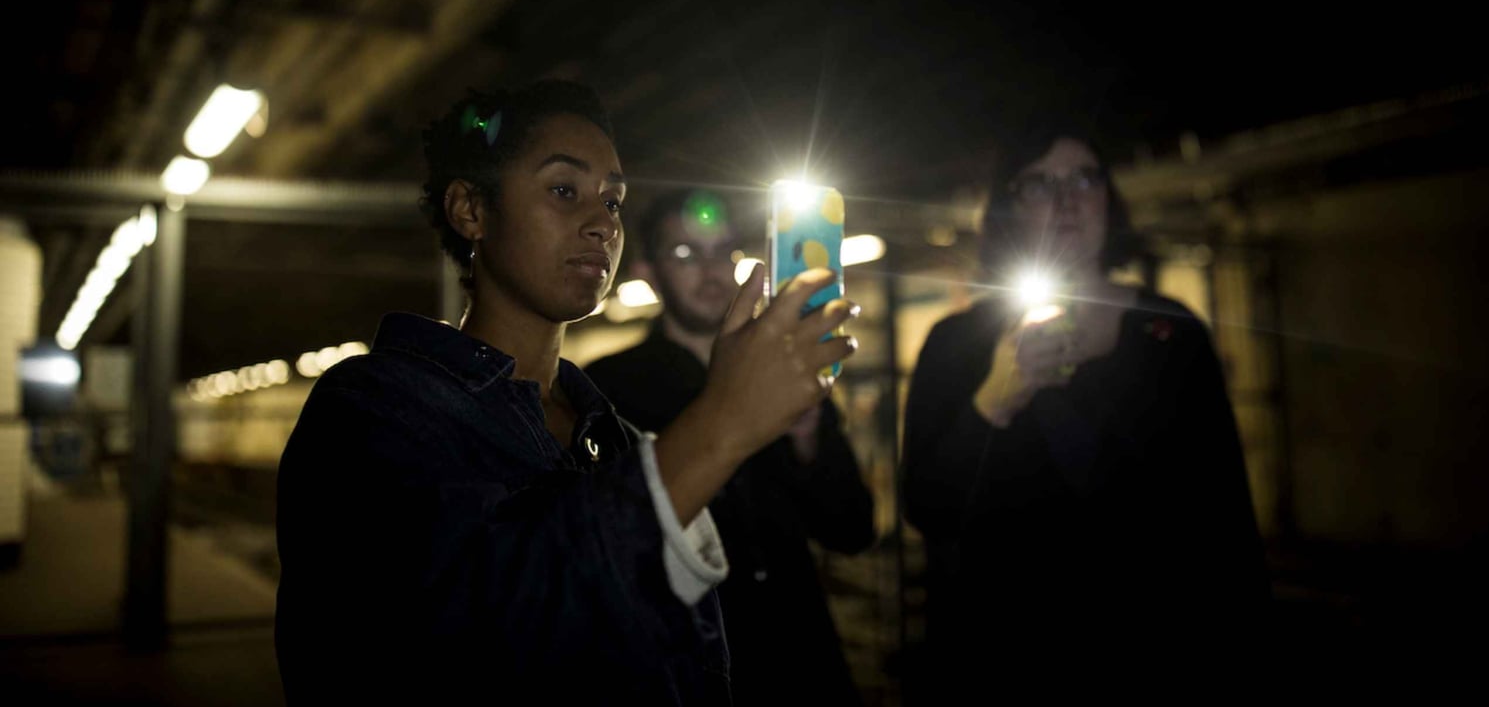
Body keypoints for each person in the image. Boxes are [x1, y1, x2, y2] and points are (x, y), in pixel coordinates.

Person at [274, 80, 858, 703]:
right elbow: (456, 638)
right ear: (470, 210)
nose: (600, 224)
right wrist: (724, 421)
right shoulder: (374, 405)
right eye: (563, 190)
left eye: (612, 202)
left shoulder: (614, 437)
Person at [900, 122, 1266, 682]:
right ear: (1008, 208)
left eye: (1085, 179)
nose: (1068, 200)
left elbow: (1225, 515)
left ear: (1108, 198)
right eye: (1040, 184)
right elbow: (928, 506)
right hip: (1003, 657)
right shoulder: (956, 346)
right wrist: (994, 401)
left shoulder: (1169, 331)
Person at [587, 189, 875, 706]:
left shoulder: (789, 370)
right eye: (684, 254)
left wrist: (808, 437)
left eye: (724, 250)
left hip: (806, 664)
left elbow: (851, 529)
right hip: (693, 672)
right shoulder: (610, 389)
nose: (711, 269)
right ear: (648, 273)